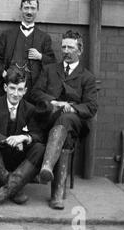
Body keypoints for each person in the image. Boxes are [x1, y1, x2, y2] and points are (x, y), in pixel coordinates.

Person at [30, 30, 98, 209]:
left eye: (70, 47)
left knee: (66, 119)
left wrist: (72, 107)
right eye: (63, 47)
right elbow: (35, 92)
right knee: (64, 137)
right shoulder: (50, 69)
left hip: (75, 122)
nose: (66, 51)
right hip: (49, 120)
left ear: (80, 50)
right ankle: (56, 197)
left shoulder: (87, 77)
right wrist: (53, 102)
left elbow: (91, 107)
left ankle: (47, 165)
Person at [0, 66, 47, 208]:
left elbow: (38, 134)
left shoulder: (30, 109)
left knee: (39, 148)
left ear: (25, 91)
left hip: (20, 160)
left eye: (20, 90)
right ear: (5, 88)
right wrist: (7, 140)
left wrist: (24, 138)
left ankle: (3, 192)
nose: (15, 93)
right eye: (12, 88)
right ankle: (15, 188)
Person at [0, 0, 55, 100]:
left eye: (33, 8)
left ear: (37, 10)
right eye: (26, 8)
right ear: (21, 9)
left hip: (33, 90)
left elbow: (52, 63)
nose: (29, 12)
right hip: (9, 87)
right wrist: (3, 73)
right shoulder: (7, 35)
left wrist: (40, 56)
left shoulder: (44, 38)